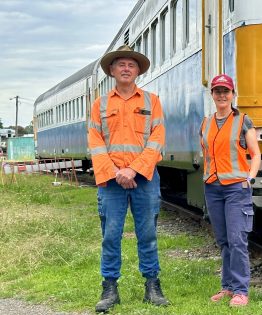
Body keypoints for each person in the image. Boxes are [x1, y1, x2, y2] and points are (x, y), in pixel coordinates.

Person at [87, 45, 168, 313]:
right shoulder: (99, 105)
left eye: (131, 65)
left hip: (144, 178)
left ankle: (152, 286)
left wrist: (133, 169)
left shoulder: (151, 101)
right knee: (111, 235)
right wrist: (115, 172)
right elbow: (95, 143)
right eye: (120, 64)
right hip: (111, 182)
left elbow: (157, 139)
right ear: (111, 70)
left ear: (138, 72)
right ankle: (109, 288)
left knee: (148, 234)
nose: (125, 69)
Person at [200, 74, 261, 307]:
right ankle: (227, 287)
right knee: (224, 240)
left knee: (237, 240)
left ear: (233, 94)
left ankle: (241, 291)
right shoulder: (205, 123)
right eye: (217, 91)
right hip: (213, 188)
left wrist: (250, 178)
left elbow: (255, 154)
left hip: (236, 188)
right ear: (212, 95)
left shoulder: (243, 121)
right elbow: (205, 155)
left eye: (226, 91)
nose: (222, 95)